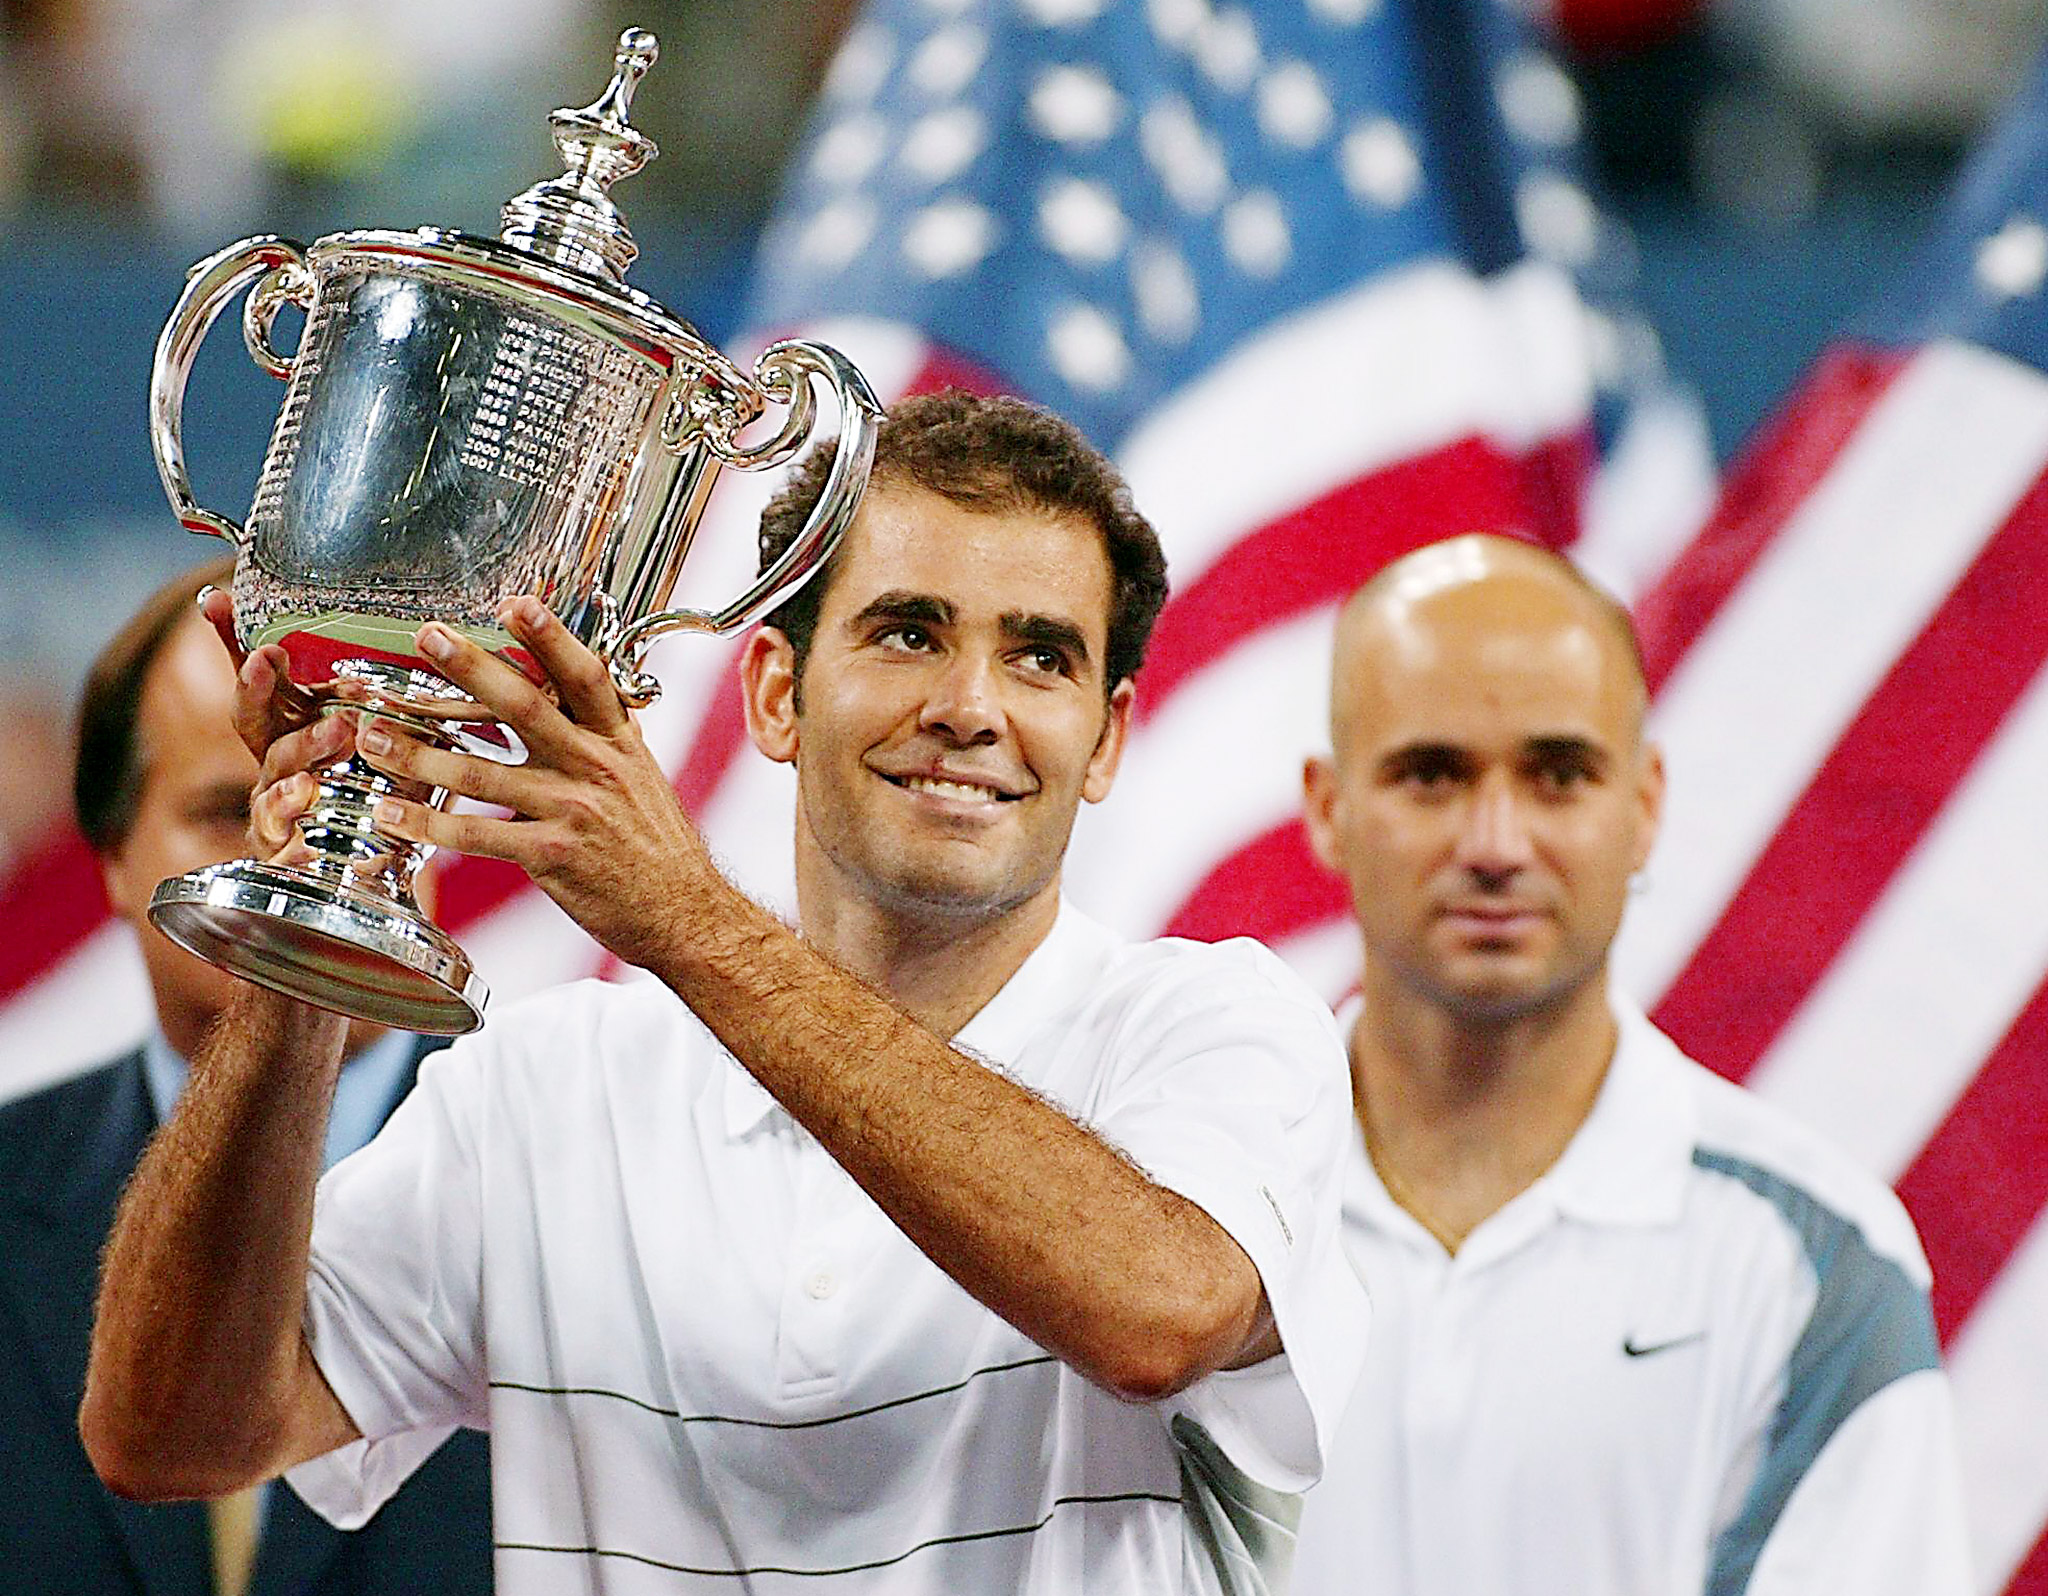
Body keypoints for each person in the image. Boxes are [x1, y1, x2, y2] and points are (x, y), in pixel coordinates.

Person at [81, 393, 1370, 1595]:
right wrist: (321, 925)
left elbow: (1158, 1315)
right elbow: (172, 1434)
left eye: (1040, 659)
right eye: (908, 632)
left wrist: (688, 922)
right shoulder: (542, 1089)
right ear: (772, 693)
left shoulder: (1218, 1025)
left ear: (1107, 740)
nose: (971, 708)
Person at [1289, 533, 1972, 1595]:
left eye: (1557, 776)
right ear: (1327, 810)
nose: (1495, 842)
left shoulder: (1817, 1261)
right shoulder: (1189, 1197)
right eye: (1430, 775)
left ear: (1644, 805)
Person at [0, 558, 492, 1595]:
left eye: (372, 809)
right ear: (114, 855)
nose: (305, 865)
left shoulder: (575, 1186)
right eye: (237, 811)